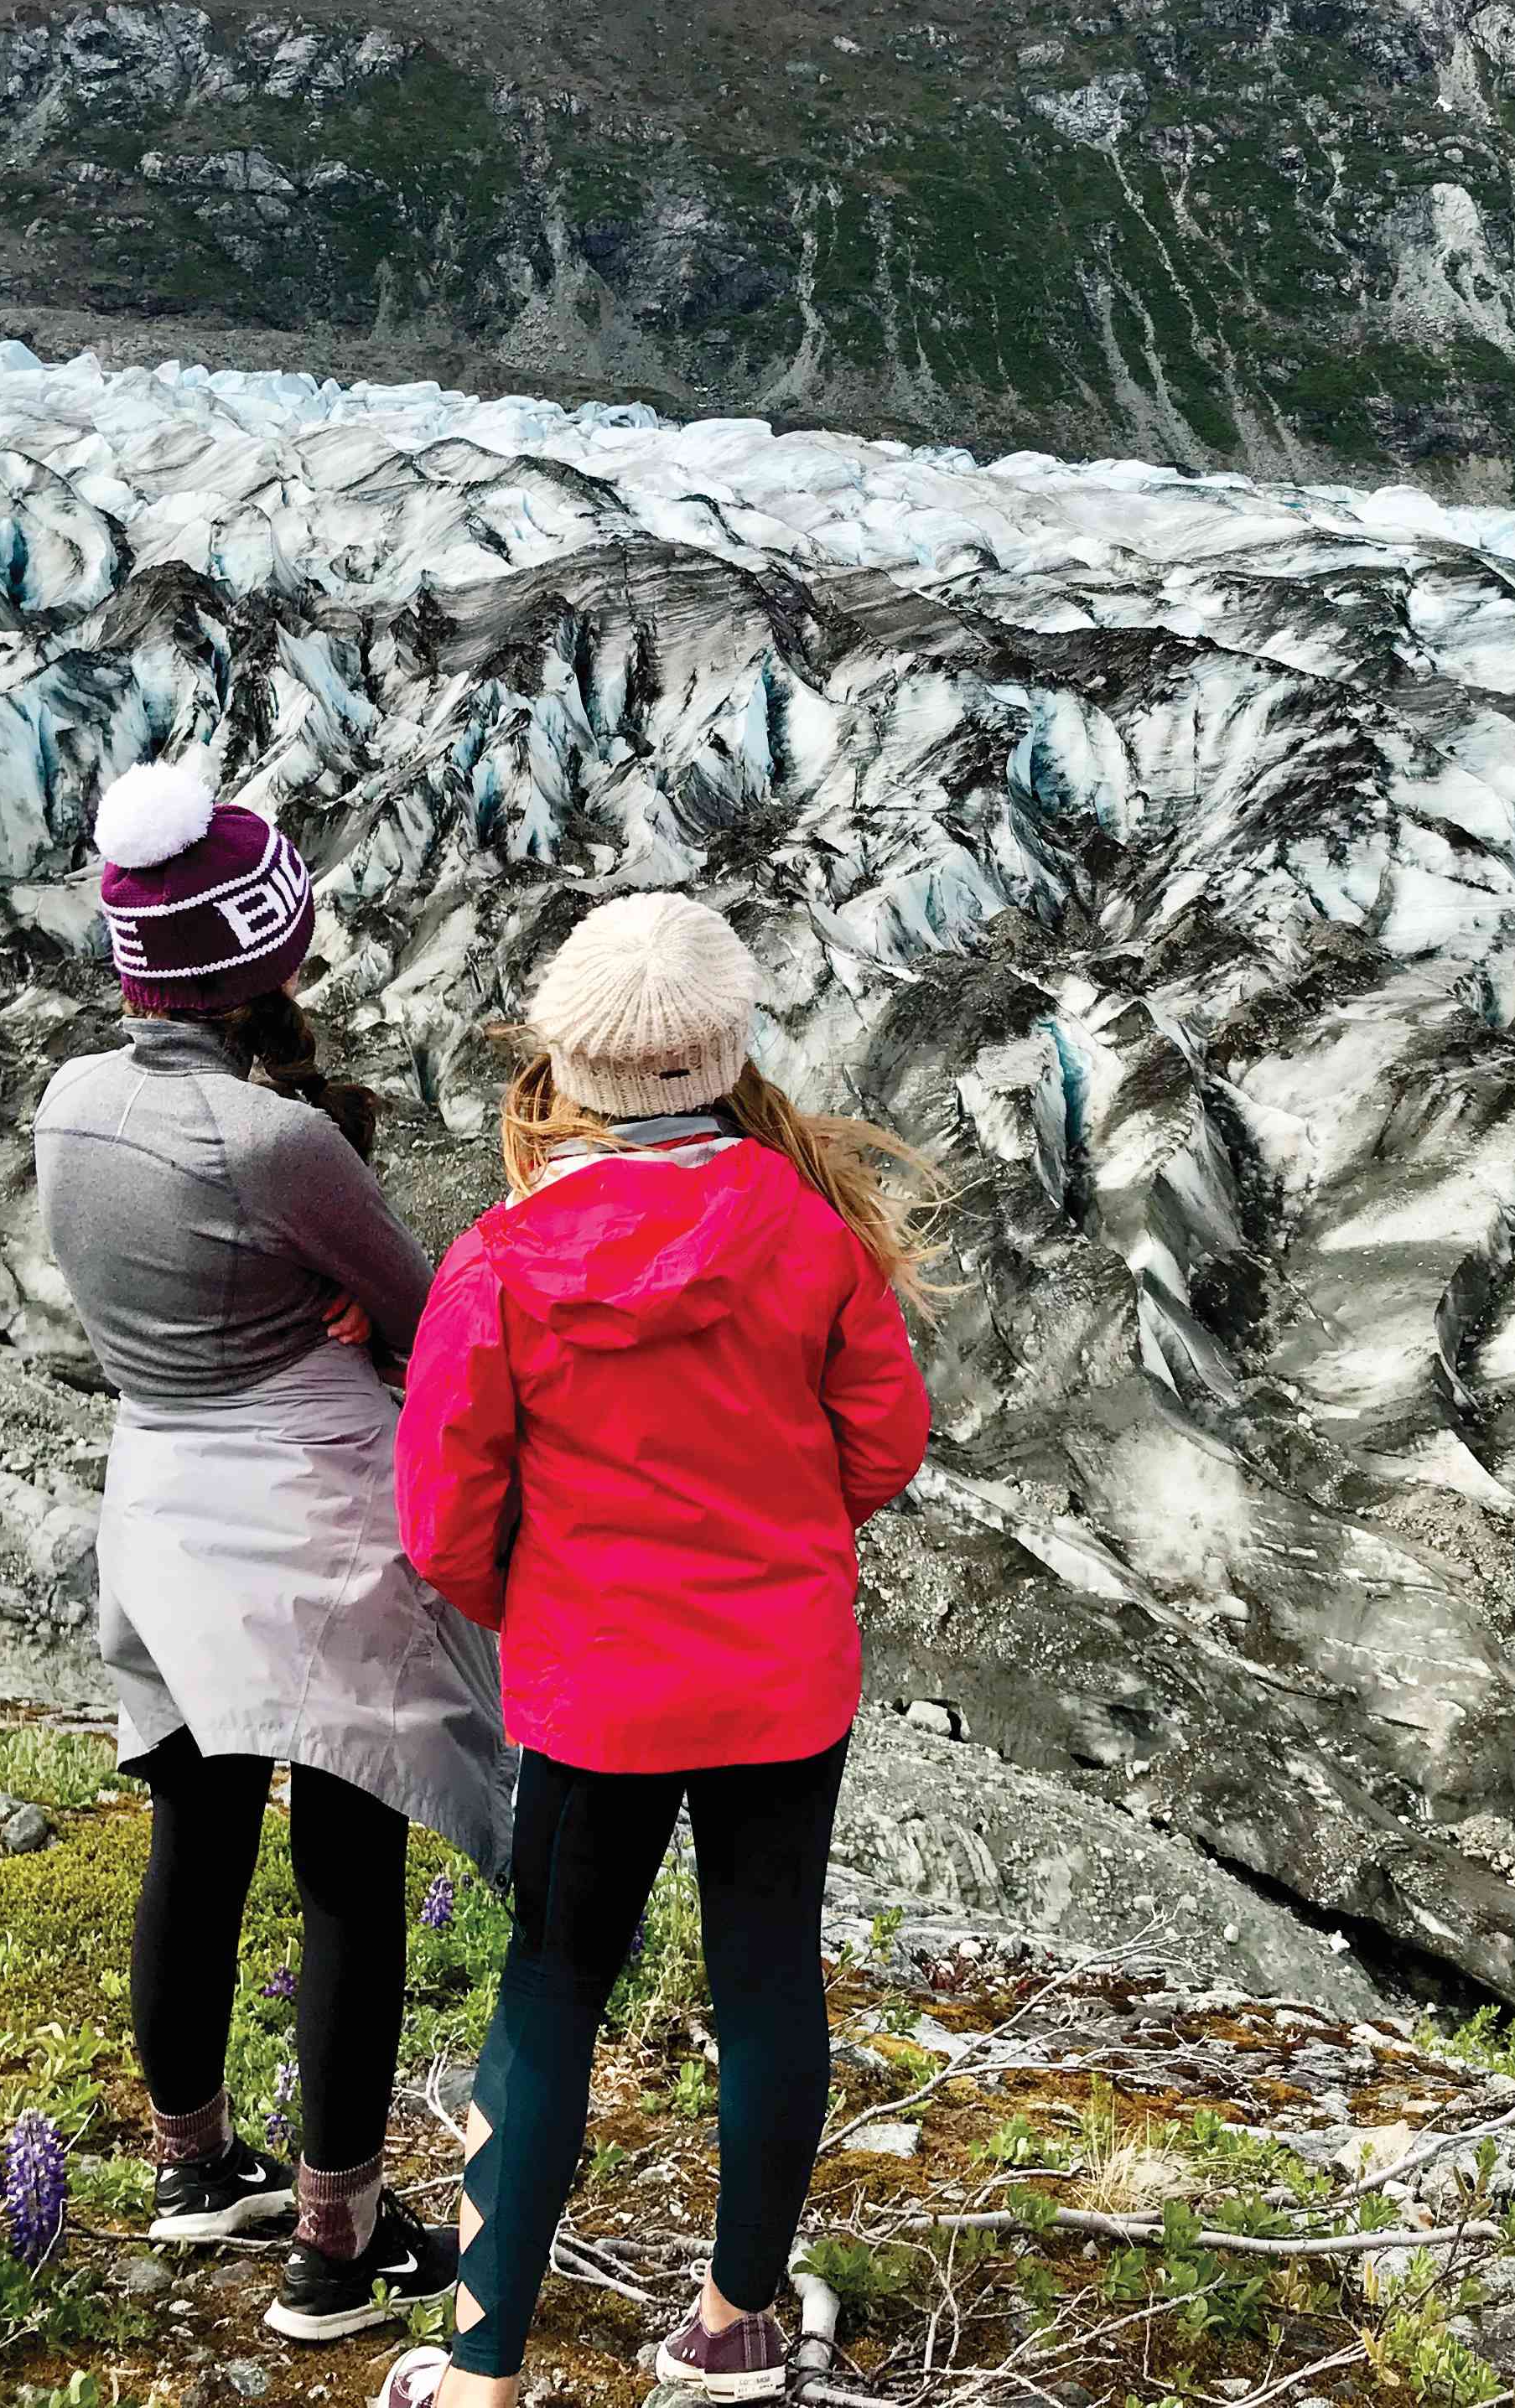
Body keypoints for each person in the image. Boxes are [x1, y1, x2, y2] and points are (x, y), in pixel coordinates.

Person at [376, 889, 938, 2408]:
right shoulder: (809, 1235)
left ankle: (484, 2360)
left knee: (552, 1986)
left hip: (594, 1691)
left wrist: (549, 1609)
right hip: (782, 1678)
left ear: (562, 1060)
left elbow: (442, 1521)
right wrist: (782, 1544)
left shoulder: (496, 1266)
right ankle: (734, 2324)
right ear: (728, 1050)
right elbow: (886, 1441)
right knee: (768, 1983)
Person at [34, 760, 513, 2349]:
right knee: (348, 1870)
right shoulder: (274, 1142)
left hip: (156, 1499)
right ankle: (339, 2244)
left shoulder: (69, 1104)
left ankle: (191, 2172)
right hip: (305, 1518)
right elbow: (429, 1312)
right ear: (265, 957)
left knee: (197, 1832)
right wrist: (352, 1317)